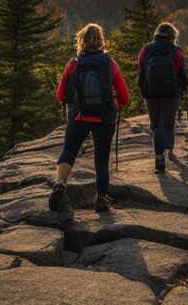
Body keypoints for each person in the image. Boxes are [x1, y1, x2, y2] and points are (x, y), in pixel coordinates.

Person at [50, 23, 130, 213]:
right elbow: (124, 96)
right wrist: (116, 104)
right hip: (105, 118)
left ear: (81, 41)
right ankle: (101, 198)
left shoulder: (73, 63)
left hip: (79, 116)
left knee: (69, 150)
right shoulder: (110, 64)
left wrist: (71, 103)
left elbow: (60, 95)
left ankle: (60, 184)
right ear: (102, 41)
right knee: (101, 159)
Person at [139, 22, 188, 173]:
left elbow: (141, 70)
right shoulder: (176, 51)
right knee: (168, 123)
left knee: (156, 125)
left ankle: (159, 157)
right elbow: (182, 73)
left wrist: (143, 88)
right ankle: (170, 151)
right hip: (171, 93)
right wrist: (184, 90)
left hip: (151, 93)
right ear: (173, 36)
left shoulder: (146, 49)